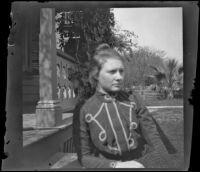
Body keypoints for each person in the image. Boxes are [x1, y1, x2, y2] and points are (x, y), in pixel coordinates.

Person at [73, 43, 175, 168]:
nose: (119, 77)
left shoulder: (133, 99)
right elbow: (84, 157)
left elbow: (153, 138)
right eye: (112, 72)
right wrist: (117, 165)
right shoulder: (84, 110)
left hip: (144, 163)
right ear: (96, 74)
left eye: (121, 71)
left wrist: (166, 165)